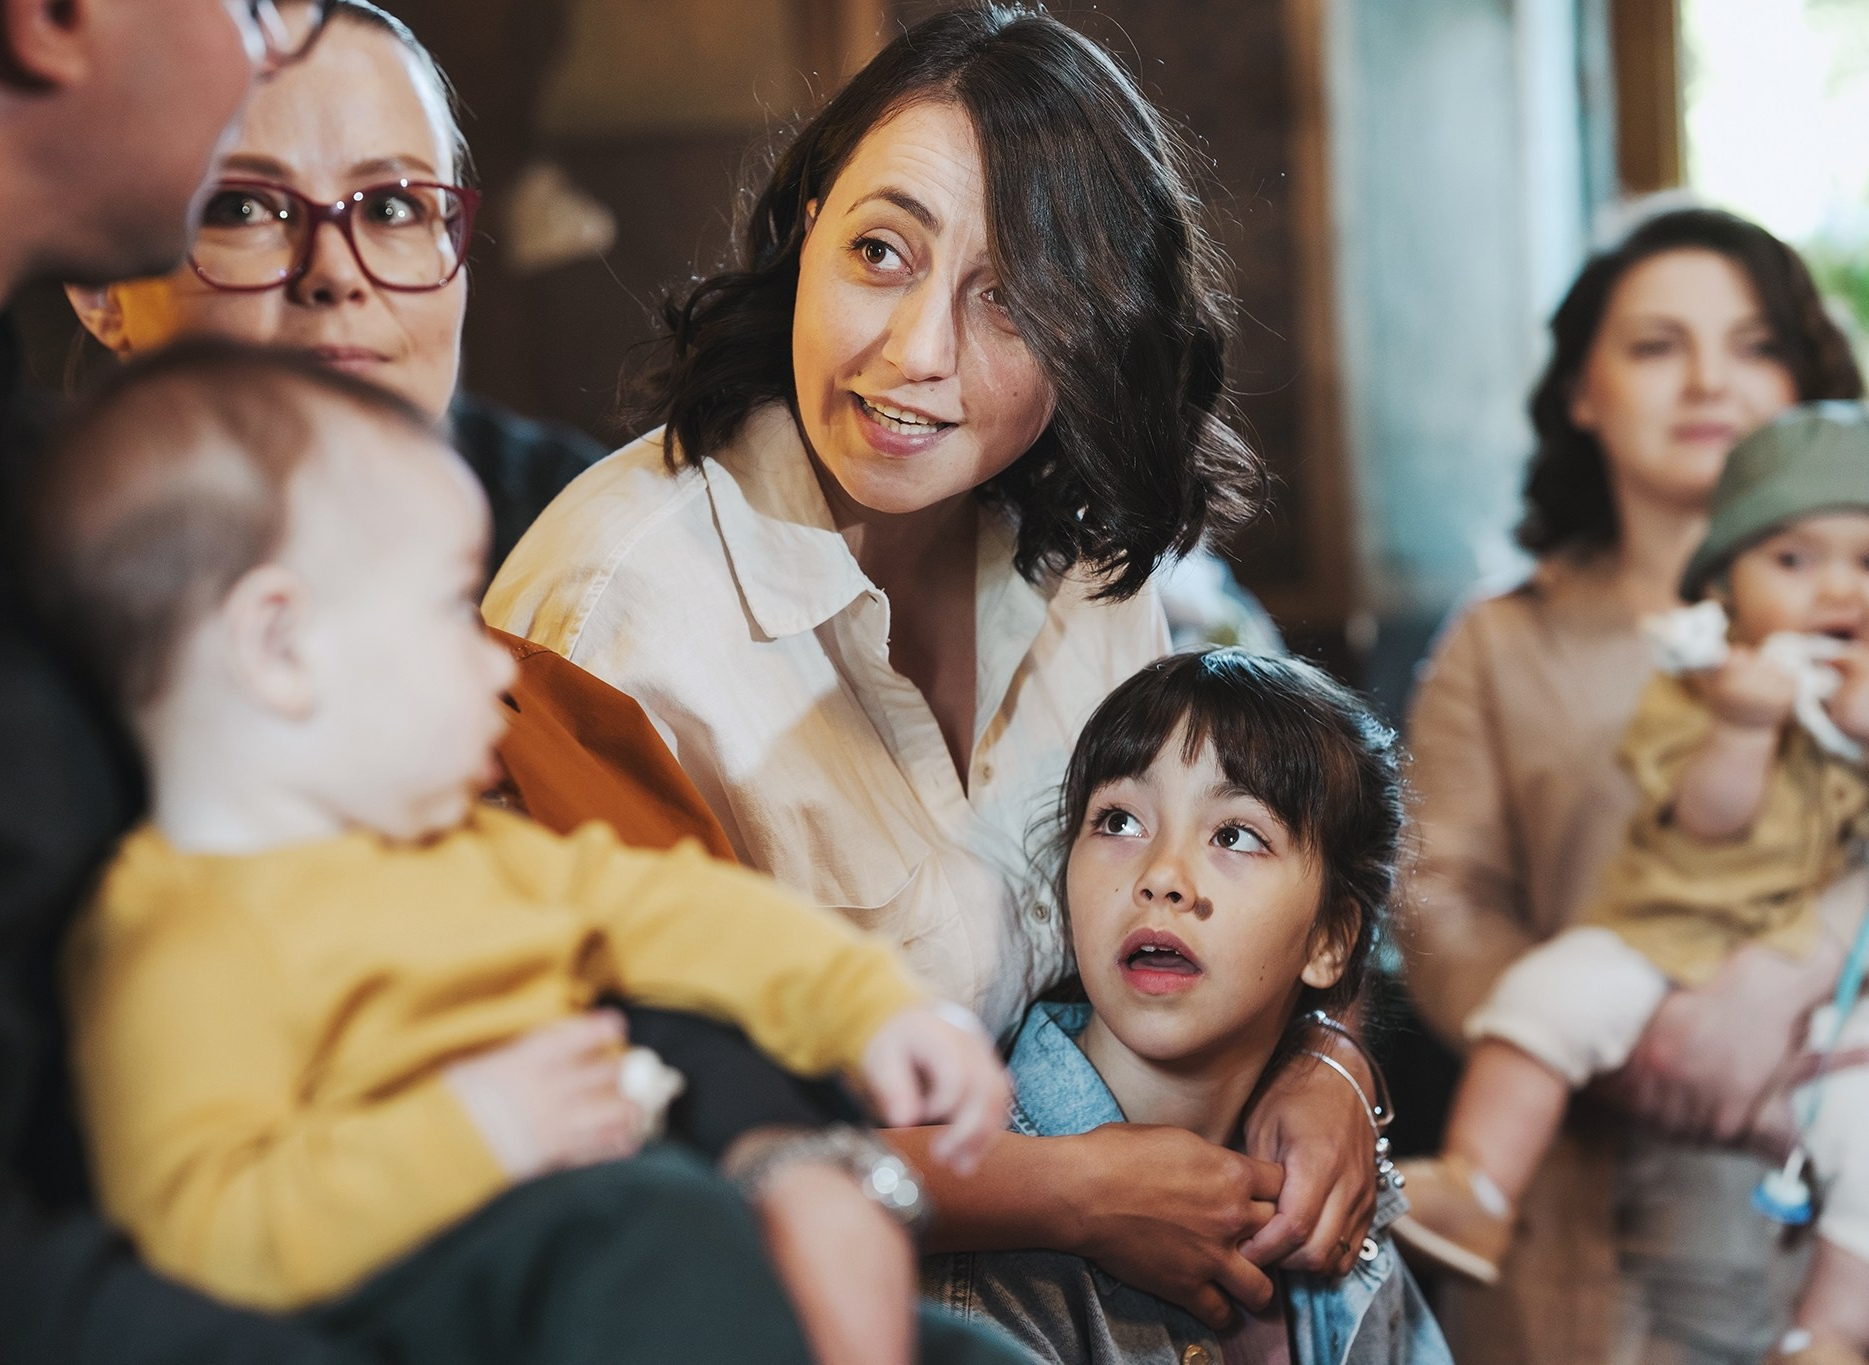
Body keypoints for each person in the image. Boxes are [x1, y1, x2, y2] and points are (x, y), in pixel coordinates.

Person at [488, 2, 1387, 1325]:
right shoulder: (616, 613)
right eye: (880, 251)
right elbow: (628, 1116)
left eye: (1013, 299)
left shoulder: (1081, 563)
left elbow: (1238, 860)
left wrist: (1329, 1055)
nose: (914, 353)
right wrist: (1059, 1191)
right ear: (806, 233)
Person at [27, 341, 1023, 1365]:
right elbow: (199, 1236)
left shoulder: (463, 849)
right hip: (455, 1294)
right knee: (654, 1227)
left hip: (651, 1260)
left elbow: (679, 911)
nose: (497, 667)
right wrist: (475, 1130)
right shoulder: (176, 931)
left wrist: (873, 1009)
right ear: (279, 648)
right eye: (451, 614)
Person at [0, 2, 389, 1361]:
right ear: (55, 19)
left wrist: (778, 1155)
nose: (271, 54)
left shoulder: (10, 450)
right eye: (257, 6)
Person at [1399, 207, 1866, 1364]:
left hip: (1817, 1168)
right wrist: (1620, 1040)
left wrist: (1789, 973)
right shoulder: (1501, 641)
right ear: (1581, 390)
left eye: (1754, 345)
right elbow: (1436, 899)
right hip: (1569, 1220)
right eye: (1656, 345)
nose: (1709, 379)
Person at [925, 650, 1450, 1365]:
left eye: (1235, 834)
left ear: (1329, 940)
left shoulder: (1336, 1200)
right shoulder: (982, 1244)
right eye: (1117, 821)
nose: (1162, 877)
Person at [64, 0, 599, 577]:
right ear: (100, 286)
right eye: (241, 208)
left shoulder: (578, 535)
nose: (336, 272)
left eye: (393, 207)